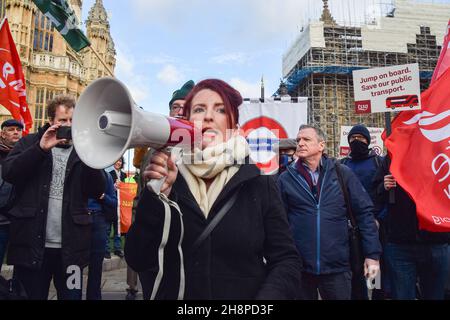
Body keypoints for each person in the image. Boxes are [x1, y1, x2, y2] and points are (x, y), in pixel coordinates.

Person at [125, 79, 302, 300]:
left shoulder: (260, 185)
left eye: (220, 109)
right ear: (186, 123)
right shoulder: (168, 179)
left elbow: (286, 261)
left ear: (234, 129)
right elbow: (138, 259)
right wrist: (156, 199)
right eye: (199, 109)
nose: (208, 116)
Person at [2, 95, 106, 300]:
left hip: (71, 251)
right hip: (31, 248)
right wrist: (40, 149)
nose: (68, 125)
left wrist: (90, 154)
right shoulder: (30, 142)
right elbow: (10, 172)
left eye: (72, 121)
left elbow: (96, 190)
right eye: (63, 120)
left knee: (71, 296)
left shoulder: (83, 150)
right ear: (51, 121)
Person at [277, 124, 381, 300]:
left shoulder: (342, 173)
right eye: (298, 140)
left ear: (321, 145)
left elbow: (364, 213)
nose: (300, 143)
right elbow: (279, 222)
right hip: (300, 268)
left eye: (306, 139)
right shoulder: (286, 178)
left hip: (337, 268)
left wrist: (372, 255)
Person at [127, 79, 196, 300]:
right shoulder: (152, 151)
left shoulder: (203, 152)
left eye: (185, 107)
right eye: (175, 107)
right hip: (154, 241)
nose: (179, 111)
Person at [373, 156, 449, 300]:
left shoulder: (441, 153)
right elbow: (374, 197)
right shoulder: (392, 157)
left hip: (436, 243)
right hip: (400, 245)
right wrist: (383, 187)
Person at [340, 124, 385, 300]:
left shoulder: (378, 162)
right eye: (352, 139)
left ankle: (376, 296)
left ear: (367, 141)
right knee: (355, 267)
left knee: (374, 268)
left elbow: (385, 193)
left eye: (360, 138)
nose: (356, 141)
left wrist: (379, 218)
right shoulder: (342, 164)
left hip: (374, 224)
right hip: (349, 226)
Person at [86, 170, 117, 300]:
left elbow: (114, 202)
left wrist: (103, 197)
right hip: (81, 218)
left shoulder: (106, 176)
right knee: (75, 263)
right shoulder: (80, 172)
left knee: (96, 264)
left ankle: (94, 296)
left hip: (98, 219)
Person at [0, 119, 23, 271]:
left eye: (18, 130)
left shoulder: (27, 154)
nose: (16, 132)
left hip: (20, 220)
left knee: (21, 268)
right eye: (11, 129)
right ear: (2, 134)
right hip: (1, 220)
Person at [106, 157, 126, 259]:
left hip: (121, 206)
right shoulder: (109, 174)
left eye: (120, 161)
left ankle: (118, 249)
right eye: (116, 161)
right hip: (112, 205)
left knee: (118, 228)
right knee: (108, 228)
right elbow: (107, 189)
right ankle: (107, 250)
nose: (118, 162)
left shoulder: (124, 175)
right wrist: (114, 186)